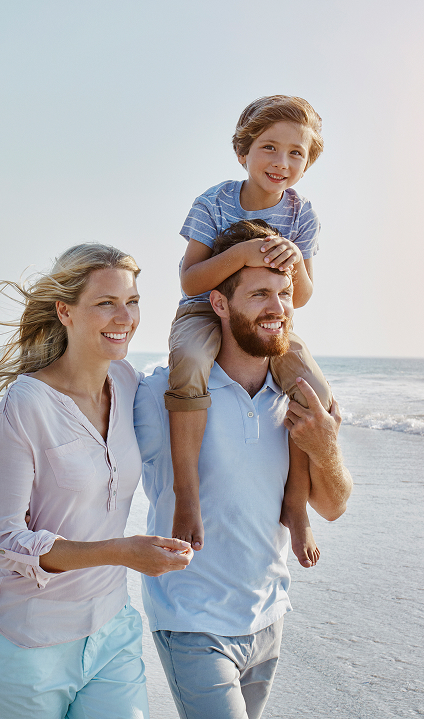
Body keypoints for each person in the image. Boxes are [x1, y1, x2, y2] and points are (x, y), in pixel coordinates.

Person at [135, 221, 352, 719]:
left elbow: (336, 506)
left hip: (269, 617)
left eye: (283, 293)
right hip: (192, 620)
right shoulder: (157, 394)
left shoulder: (299, 397)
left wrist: (326, 447)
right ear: (219, 304)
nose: (277, 307)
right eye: (259, 294)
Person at [0, 243, 193, 719]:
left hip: (113, 631)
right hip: (30, 643)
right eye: (106, 303)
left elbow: (200, 378)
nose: (125, 317)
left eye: (132, 301)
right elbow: (5, 540)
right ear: (64, 311)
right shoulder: (24, 407)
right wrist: (121, 552)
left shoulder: (129, 383)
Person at [166, 95, 335, 568]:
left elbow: (299, 297)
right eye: (269, 148)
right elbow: (190, 280)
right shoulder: (214, 201)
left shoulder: (302, 216)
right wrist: (241, 256)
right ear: (244, 152)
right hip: (204, 310)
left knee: (312, 393)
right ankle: (187, 495)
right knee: (189, 367)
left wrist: (295, 260)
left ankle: (296, 507)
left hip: (269, 318)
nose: (281, 162)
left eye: (296, 153)